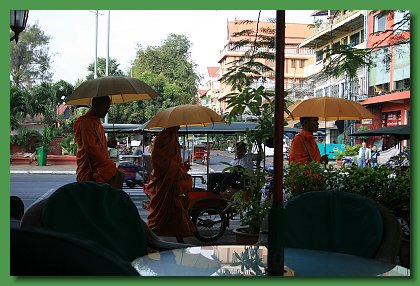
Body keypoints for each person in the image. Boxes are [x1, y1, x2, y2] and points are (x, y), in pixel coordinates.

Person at [146, 125, 196, 242]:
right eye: (176, 124)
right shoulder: (160, 139)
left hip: (173, 180)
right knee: (162, 214)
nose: (178, 127)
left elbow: (175, 160)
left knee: (177, 210)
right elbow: (157, 163)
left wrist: (182, 167)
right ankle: (151, 238)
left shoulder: (174, 138)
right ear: (170, 124)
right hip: (164, 181)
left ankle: (180, 238)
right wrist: (178, 168)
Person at [73, 96, 124, 189]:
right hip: (91, 171)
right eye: (105, 107)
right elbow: (91, 150)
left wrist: (108, 144)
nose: (106, 111)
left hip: (99, 167)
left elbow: (97, 144)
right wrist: (109, 166)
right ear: (95, 106)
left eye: (108, 108)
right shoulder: (86, 122)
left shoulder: (96, 122)